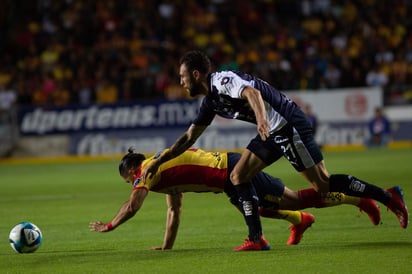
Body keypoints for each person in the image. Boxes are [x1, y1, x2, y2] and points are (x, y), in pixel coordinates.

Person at [142, 50, 408, 250]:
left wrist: (261, 120)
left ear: (196, 75)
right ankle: (256, 239)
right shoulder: (211, 102)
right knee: (238, 176)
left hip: (285, 124)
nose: (181, 81)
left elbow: (252, 93)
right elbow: (189, 137)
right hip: (271, 130)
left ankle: (388, 196)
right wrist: (159, 160)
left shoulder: (222, 80)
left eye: (182, 76)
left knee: (323, 185)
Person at [90, 148, 381, 251]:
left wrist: (111, 225)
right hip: (228, 178)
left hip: (233, 171)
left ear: (131, 170)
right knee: (260, 208)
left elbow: (132, 206)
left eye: (128, 179)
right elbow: (174, 211)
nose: (131, 183)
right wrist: (167, 248)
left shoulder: (148, 170)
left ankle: (358, 200)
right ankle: (300, 221)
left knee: (293, 198)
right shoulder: (162, 175)